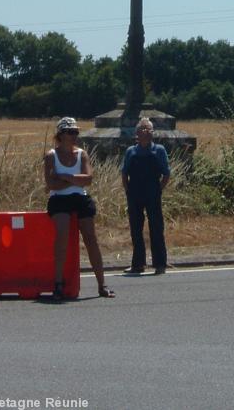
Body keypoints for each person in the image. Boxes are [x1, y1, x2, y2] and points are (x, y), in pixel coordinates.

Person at [45, 117, 115, 301]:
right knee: (62, 236)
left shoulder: (81, 154)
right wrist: (75, 179)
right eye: (70, 132)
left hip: (80, 197)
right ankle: (58, 283)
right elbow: (51, 184)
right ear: (61, 135)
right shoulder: (52, 155)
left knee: (91, 237)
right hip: (59, 200)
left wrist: (65, 176)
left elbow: (88, 179)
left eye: (76, 132)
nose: (74, 135)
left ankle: (102, 284)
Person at [121, 117, 170, 275]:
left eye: (149, 129)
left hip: (152, 192)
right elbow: (124, 173)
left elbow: (166, 174)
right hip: (135, 193)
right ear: (137, 133)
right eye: (143, 129)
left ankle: (160, 264)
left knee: (156, 228)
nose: (146, 132)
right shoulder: (131, 151)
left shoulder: (159, 150)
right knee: (136, 229)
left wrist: (159, 189)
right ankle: (138, 264)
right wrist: (128, 191)